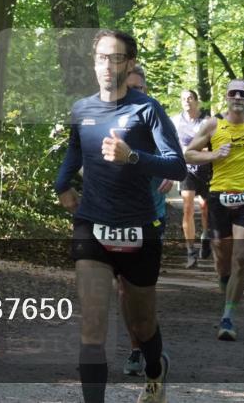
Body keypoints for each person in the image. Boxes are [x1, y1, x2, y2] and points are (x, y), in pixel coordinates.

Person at [55, 30, 186, 403]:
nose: (107, 66)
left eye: (116, 59)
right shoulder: (82, 109)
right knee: (93, 325)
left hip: (139, 228)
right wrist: (62, 183)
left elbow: (177, 167)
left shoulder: (147, 109)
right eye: (101, 58)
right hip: (93, 224)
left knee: (141, 323)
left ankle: (156, 369)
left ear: (129, 64)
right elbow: (75, 153)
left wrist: (133, 157)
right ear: (93, 62)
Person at [184, 79, 244, 342]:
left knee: (241, 258)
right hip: (218, 198)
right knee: (222, 262)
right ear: (226, 97)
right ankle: (226, 288)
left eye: (242, 94)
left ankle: (228, 317)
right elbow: (189, 154)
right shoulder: (213, 124)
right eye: (233, 93)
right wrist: (214, 156)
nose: (237, 97)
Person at [119, 66, 172, 377]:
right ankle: (136, 348)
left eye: (141, 87)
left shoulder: (156, 118)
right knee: (124, 289)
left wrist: (168, 174)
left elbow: (176, 158)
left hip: (152, 216)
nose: (136, 92)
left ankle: (147, 340)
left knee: (140, 291)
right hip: (115, 218)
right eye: (130, 87)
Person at [172, 89, 210, 267]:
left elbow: (215, 146)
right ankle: (190, 251)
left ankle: (205, 236)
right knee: (188, 208)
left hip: (206, 170)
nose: (186, 101)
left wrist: (204, 152)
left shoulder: (207, 121)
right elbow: (170, 145)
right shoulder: (175, 121)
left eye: (190, 98)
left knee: (205, 208)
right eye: (183, 99)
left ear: (197, 101)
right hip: (186, 170)